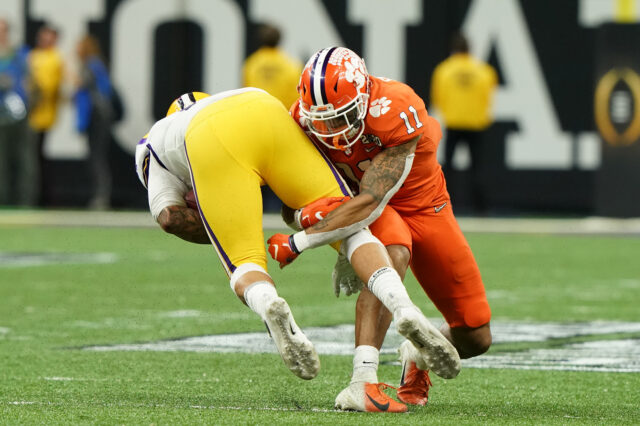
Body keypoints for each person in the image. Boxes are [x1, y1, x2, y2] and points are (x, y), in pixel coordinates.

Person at [135, 89, 460, 412]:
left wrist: (221, 227)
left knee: (244, 261)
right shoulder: (227, 98)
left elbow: (168, 216)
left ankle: (268, 304)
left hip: (208, 139)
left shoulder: (154, 141)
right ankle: (403, 306)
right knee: (353, 227)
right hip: (263, 107)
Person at [268, 46, 491, 411]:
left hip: (421, 205)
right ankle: (363, 380)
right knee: (394, 254)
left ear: (364, 95)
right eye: (322, 121)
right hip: (363, 209)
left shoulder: (396, 107)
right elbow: (291, 205)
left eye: (341, 118)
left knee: (476, 334)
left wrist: (299, 241)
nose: (332, 131)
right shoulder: (300, 121)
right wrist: (329, 230)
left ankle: (415, 355)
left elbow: (373, 199)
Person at [431, 32, 497, 214]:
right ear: (470, 49)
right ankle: (481, 208)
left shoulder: (444, 70)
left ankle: (446, 206)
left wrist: (449, 112)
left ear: (453, 50)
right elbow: (488, 96)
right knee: (478, 167)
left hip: (453, 123)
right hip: (476, 124)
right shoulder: (484, 71)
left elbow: (438, 98)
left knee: (448, 168)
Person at [0, 18, 37, 206]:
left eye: (3, 30)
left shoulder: (20, 55)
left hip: (19, 115)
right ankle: (3, 200)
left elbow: (30, 83)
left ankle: (26, 200)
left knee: (25, 159)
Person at [74, 34, 114, 209]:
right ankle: (100, 195)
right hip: (98, 116)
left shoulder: (90, 65)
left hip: (95, 116)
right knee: (97, 157)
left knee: (96, 157)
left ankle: (101, 196)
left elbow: (84, 87)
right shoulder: (96, 64)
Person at [27, 24, 64, 206]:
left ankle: (42, 197)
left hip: (41, 116)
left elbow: (46, 88)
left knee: (37, 158)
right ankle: (37, 195)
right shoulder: (34, 55)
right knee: (34, 158)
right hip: (29, 115)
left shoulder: (54, 58)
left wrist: (30, 90)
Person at [242, 24, 301, 110]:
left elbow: (245, 92)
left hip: (257, 112)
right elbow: (297, 95)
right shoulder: (291, 65)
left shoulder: (251, 64)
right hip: (282, 114)